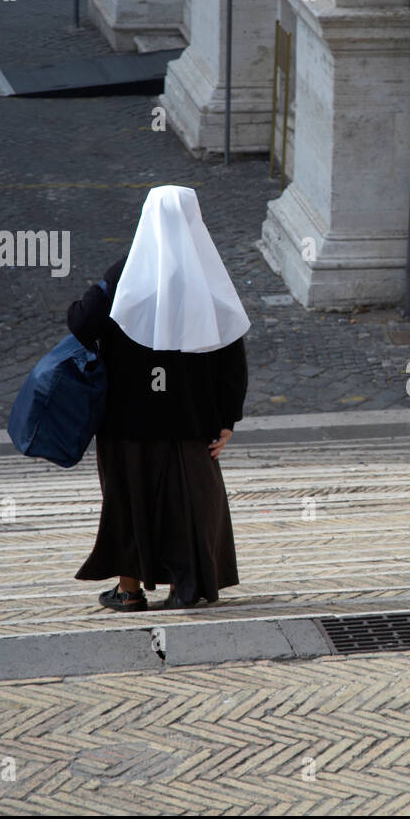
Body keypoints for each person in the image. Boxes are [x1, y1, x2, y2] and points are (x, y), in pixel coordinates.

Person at [66, 185, 250, 612]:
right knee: (187, 504)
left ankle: (129, 590)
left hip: (126, 421)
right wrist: (228, 420)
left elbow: (80, 322)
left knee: (128, 501)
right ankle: (186, 587)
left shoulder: (124, 274)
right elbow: (232, 357)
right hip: (191, 423)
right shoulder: (209, 278)